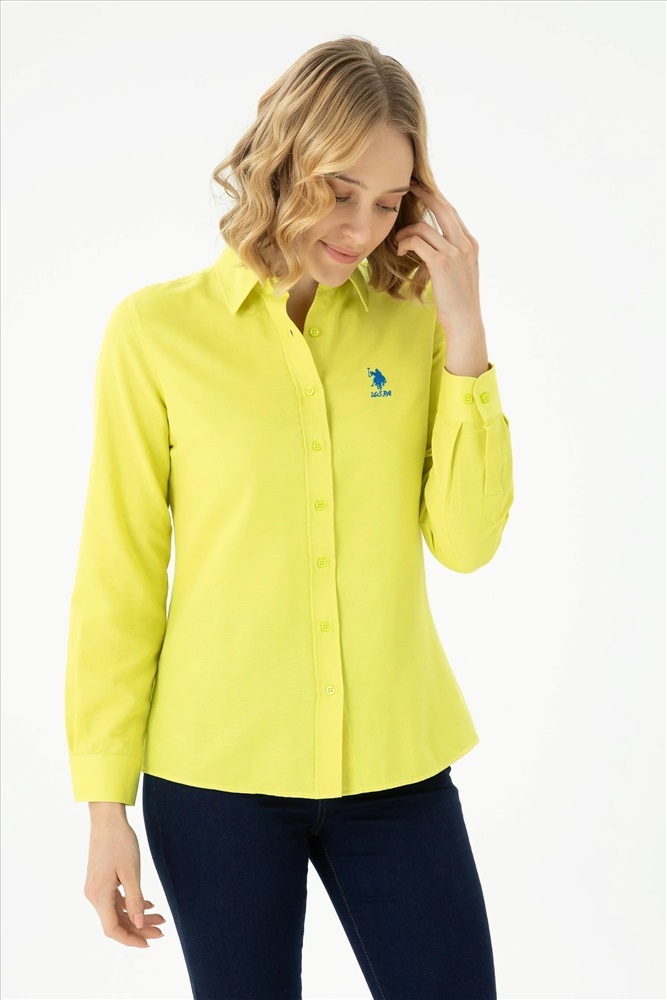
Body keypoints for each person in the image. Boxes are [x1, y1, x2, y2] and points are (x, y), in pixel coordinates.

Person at [65, 35, 514, 1000]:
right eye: (340, 192)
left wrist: (466, 330)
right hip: (214, 782)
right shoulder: (154, 333)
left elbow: (467, 543)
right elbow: (119, 573)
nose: (361, 228)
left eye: (389, 202)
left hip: (395, 770)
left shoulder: (417, 325)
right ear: (282, 164)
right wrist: (106, 807)